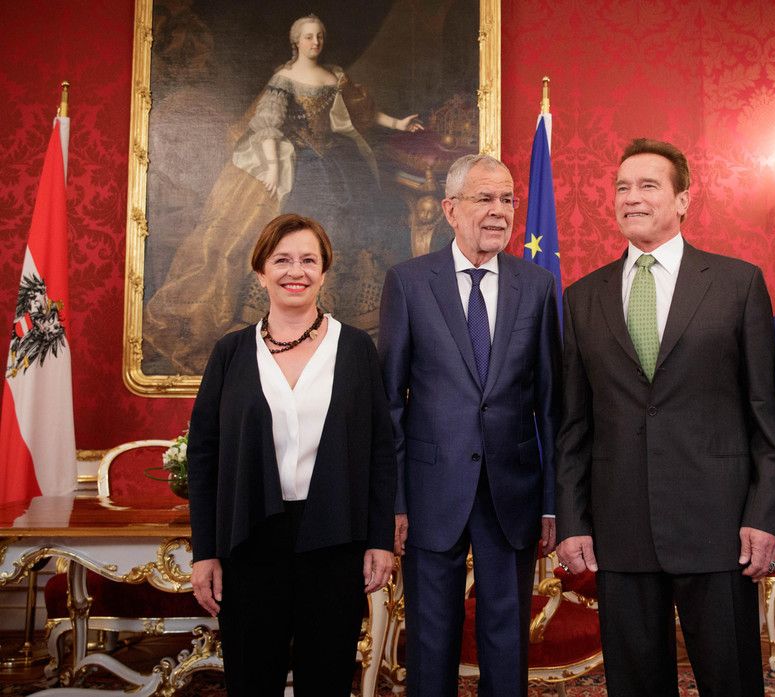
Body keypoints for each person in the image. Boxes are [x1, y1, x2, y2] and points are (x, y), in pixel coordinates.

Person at [556, 138, 775, 696]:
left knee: (731, 681)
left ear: (683, 200)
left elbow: (766, 413)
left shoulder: (737, 284)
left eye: (648, 185)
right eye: (622, 187)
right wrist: (573, 520)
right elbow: (573, 425)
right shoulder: (582, 297)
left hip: (720, 526)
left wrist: (764, 515)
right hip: (620, 527)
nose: (631, 197)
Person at [187, 213, 397, 695]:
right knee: (251, 680)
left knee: (326, 680)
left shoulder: (356, 349)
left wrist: (380, 540)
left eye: (308, 260)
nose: (295, 271)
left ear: (323, 272)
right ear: (260, 272)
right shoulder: (230, 352)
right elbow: (203, 456)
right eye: (281, 260)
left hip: (335, 540)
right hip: (249, 542)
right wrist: (205, 552)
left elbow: (381, 453)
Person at [146, 13, 423, 375]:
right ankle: (286, 318)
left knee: (349, 224)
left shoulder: (334, 75)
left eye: (319, 36)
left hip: (337, 160)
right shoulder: (284, 78)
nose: (315, 42)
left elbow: (361, 114)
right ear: (296, 42)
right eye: (308, 37)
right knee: (297, 226)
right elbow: (268, 126)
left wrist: (398, 123)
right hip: (299, 161)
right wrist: (276, 171)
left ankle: (343, 313)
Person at [378, 154, 561, 697]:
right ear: (450, 209)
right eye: (485, 198)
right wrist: (394, 500)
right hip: (431, 489)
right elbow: (390, 403)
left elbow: (552, 405)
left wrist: (552, 502)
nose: (499, 211)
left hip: (514, 490)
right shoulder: (409, 283)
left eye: (507, 199)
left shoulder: (537, 285)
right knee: (431, 636)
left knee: (507, 635)